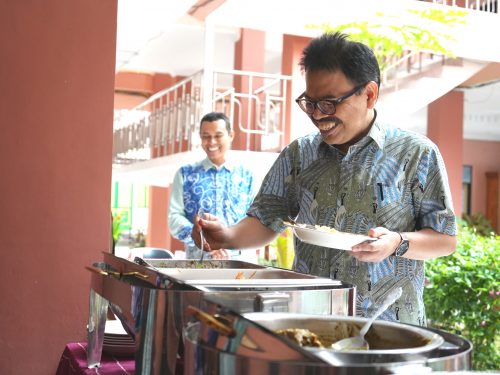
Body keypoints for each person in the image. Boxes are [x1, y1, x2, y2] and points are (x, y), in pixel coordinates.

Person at [192, 33, 457, 326]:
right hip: (308, 320)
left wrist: (397, 242)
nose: (318, 115)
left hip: (387, 327)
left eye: (329, 103)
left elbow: (445, 239)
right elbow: (267, 219)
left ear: (369, 94)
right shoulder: (299, 153)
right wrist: (226, 236)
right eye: (310, 102)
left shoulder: (416, 153)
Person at [168, 111, 256, 260]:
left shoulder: (247, 176)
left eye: (218, 135)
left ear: (231, 135)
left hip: (240, 266)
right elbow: (174, 218)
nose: (212, 142)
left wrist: (230, 247)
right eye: (206, 136)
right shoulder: (185, 174)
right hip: (197, 265)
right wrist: (202, 241)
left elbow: (256, 220)